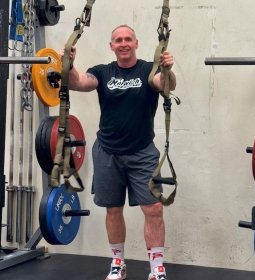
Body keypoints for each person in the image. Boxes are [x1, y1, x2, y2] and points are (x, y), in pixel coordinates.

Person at [65, 24, 176, 280]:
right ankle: (118, 263)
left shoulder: (150, 70)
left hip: (142, 152)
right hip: (107, 151)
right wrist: (69, 64)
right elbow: (78, 82)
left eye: (128, 39)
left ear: (136, 43)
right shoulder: (102, 72)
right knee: (113, 209)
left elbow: (166, 85)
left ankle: (157, 267)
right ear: (111, 46)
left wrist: (168, 69)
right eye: (118, 40)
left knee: (154, 209)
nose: (123, 43)